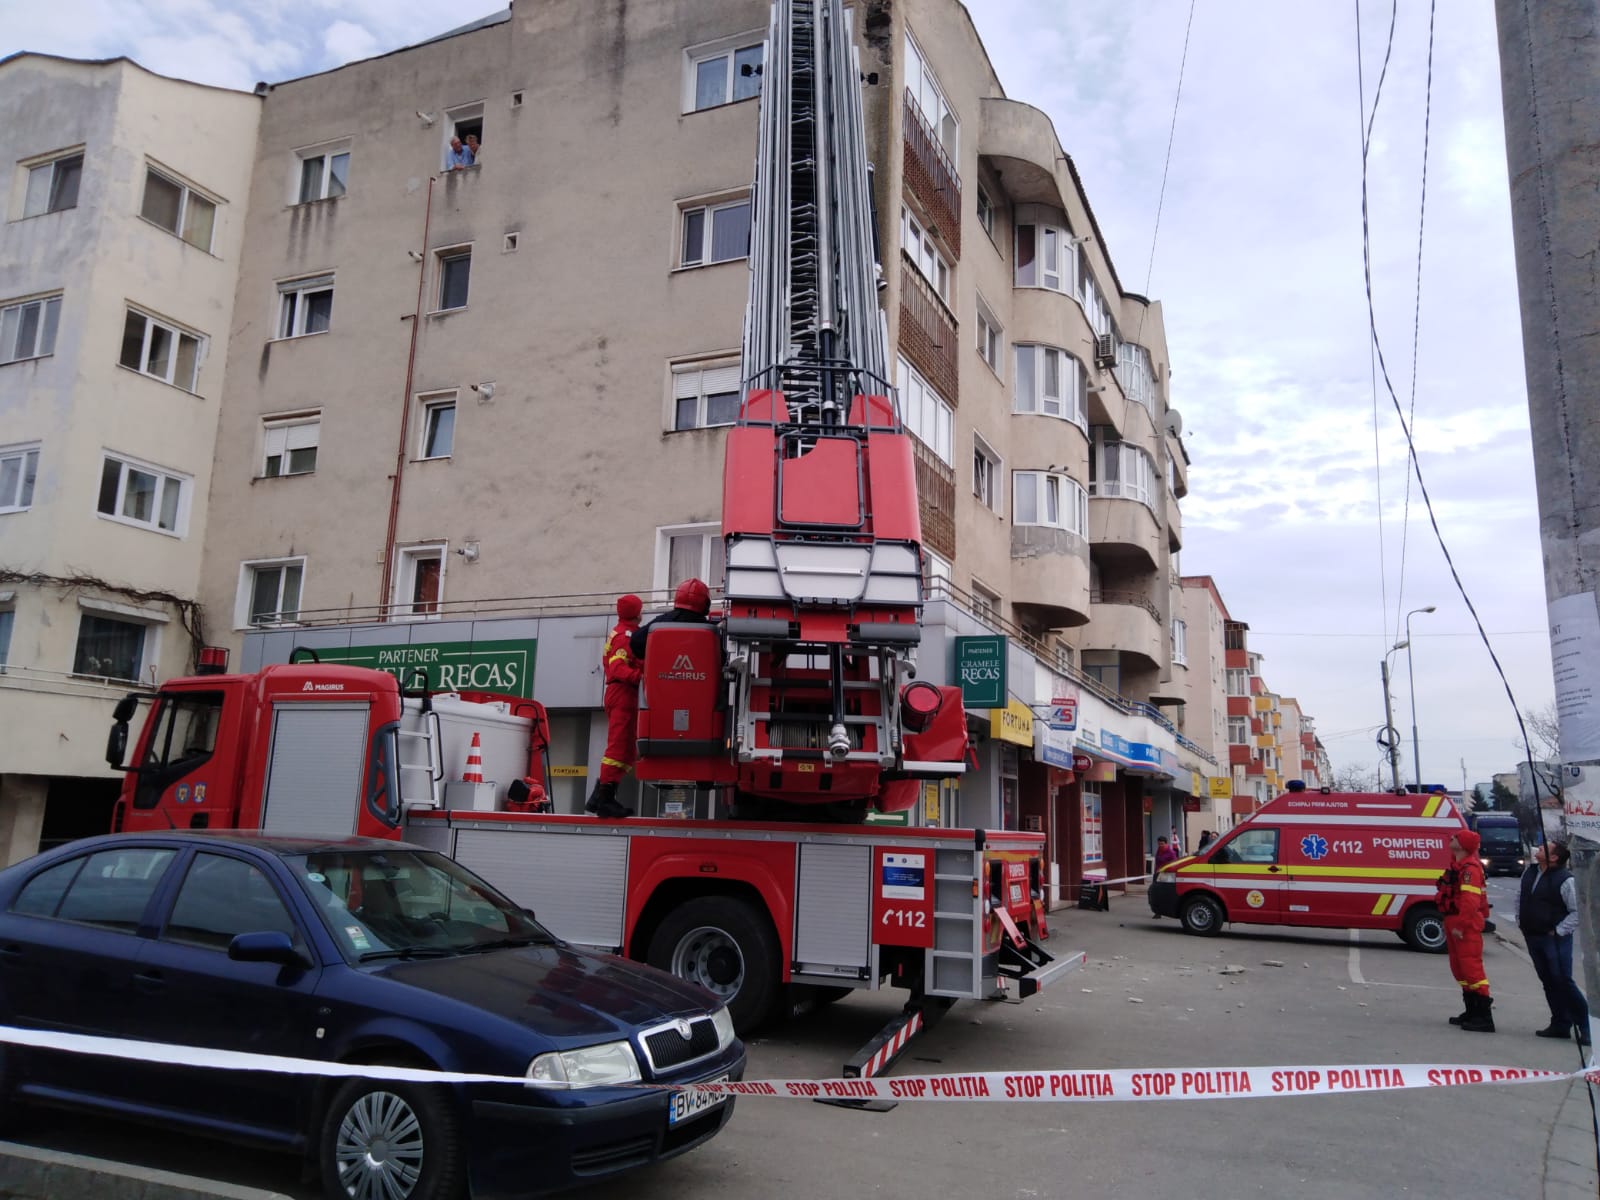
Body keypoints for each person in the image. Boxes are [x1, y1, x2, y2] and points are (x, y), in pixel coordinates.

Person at [1518, 839, 1590, 1046]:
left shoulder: (1565, 880)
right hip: (1532, 934)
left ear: (1555, 857)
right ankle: (1560, 1023)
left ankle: (1586, 1026)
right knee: (1548, 981)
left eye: (1544, 848)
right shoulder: (1530, 872)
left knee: (1562, 980)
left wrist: (1558, 931)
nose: (1539, 848)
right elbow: (1521, 898)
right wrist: (1520, 920)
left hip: (1553, 939)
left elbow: (1578, 911)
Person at [586, 594, 644, 819]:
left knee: (627, 750)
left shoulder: (623, 632)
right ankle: (605, 800)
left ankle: (600, 797)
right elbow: (618, 667)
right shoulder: (625, 636)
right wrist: (641, 677)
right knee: (618, 747)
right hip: (623, 693)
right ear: (636, 613)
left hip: (623, 693)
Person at [1438, 829, 1494, 1032]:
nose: (1451, 838)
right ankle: (1471, 1011)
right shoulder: (1459, 865)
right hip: (1454, 920)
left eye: (1456, 837)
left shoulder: (1469, 869)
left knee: (1472, 969)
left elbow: (1470, 902)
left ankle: (1483, 1017)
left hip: (1465, 924)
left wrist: (1461, 926)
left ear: (1462, 845)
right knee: (1459, 969)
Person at [629, 577, 712, 662]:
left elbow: (636, 641)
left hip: (662, 670)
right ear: (706, 604)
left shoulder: (660, 623)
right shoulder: (710, 631)